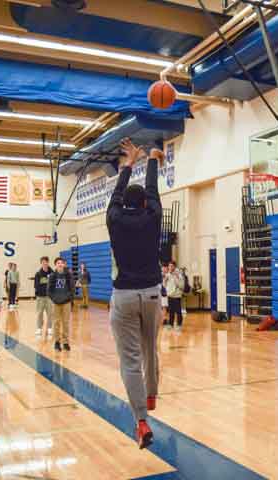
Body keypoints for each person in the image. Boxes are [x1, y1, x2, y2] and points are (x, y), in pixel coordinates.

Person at [106, 138, 164, 449]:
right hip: (152, 293)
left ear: (123, 203)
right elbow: (153, 192)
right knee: (150, 347)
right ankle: (151, 394)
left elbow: (114, 197)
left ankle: (141, 419)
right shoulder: (153, 217)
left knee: (129, 360)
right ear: (144, 204)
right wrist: (152, 160)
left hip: (124, 296)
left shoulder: (114, 219)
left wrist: (128, 165)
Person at [48, 258, 74, 351]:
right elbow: (49, 291)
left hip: (66, 302)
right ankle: (57, 342)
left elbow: (72, 289)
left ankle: (66, 342)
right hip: (56, 302)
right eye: (58, 263)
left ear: (64, 264)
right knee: (56, 322)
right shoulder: (52, 276)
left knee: (66, 322)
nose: (60, 264)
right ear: (55, 265)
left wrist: (68, 299)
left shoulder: (68, 275)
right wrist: (54, 299)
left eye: (61, 263)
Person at [34, 256, 53, 338]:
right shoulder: (38, 274)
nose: (44, 263)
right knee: (39, 313)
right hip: (40, 297)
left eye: (46, 262)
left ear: (48, 262)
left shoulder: (52, 273)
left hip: (49, 297)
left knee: (50, 313)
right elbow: (36, 285)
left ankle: (49, 328)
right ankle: (39, 328)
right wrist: (41, 291)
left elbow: (53, 284)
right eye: (43, 262)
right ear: (41, 263)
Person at [165, 261, 184, 331]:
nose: (170, 267)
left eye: (171, 266)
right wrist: (165, 280)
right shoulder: (168, 275)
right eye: (169, 266)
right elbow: (165, 285)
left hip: (176, 296)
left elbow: (182, 286)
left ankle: (179, 325)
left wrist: (175, 277)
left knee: (178, 311)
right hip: (170, 295)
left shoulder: (179, 275)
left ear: (174, 267)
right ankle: (170, 324)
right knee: (171, 311)